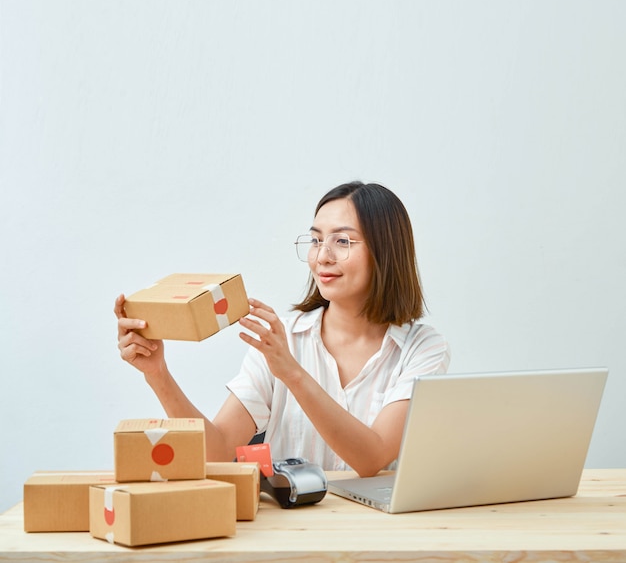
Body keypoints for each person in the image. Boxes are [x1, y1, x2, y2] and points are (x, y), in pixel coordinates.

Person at [115, 181, 450, 477]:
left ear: (386, 252)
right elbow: (217, 453)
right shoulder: (279, 339)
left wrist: (292, 373)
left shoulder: (422, 349)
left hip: (377, 533)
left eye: (343, 242)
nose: (322, 257)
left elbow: (371, 458)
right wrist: (157, 373)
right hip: (289, 526)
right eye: (316, 241)